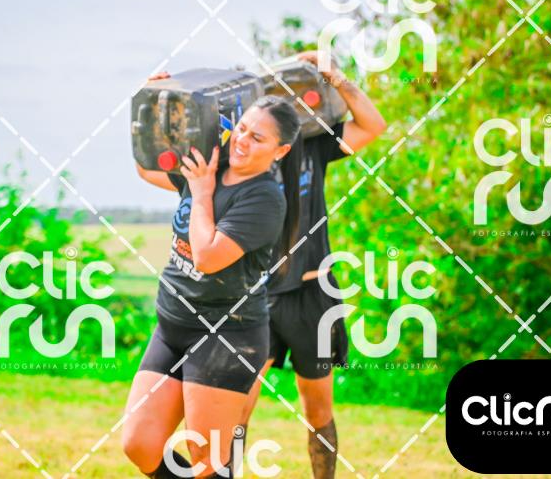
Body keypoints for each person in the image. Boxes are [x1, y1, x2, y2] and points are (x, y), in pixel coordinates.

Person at [122, 92, 303, 478]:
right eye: (242, 128)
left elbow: (207, 257)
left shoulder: (265, 199)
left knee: (205, 461)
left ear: (281, 151)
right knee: (139, 443)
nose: (242, 140)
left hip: (226, 337)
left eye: (258, 138)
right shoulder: (211, 164)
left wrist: (202, 193)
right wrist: (150, 103)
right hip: (173, 325)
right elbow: (146, 168)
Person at [240, 51, 387, 479]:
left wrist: (334, 77)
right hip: (256, 295)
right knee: (236, 405)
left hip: (312, 295)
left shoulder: (313, 145)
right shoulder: (242, 149)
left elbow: (373, 126)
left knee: (318, 411)